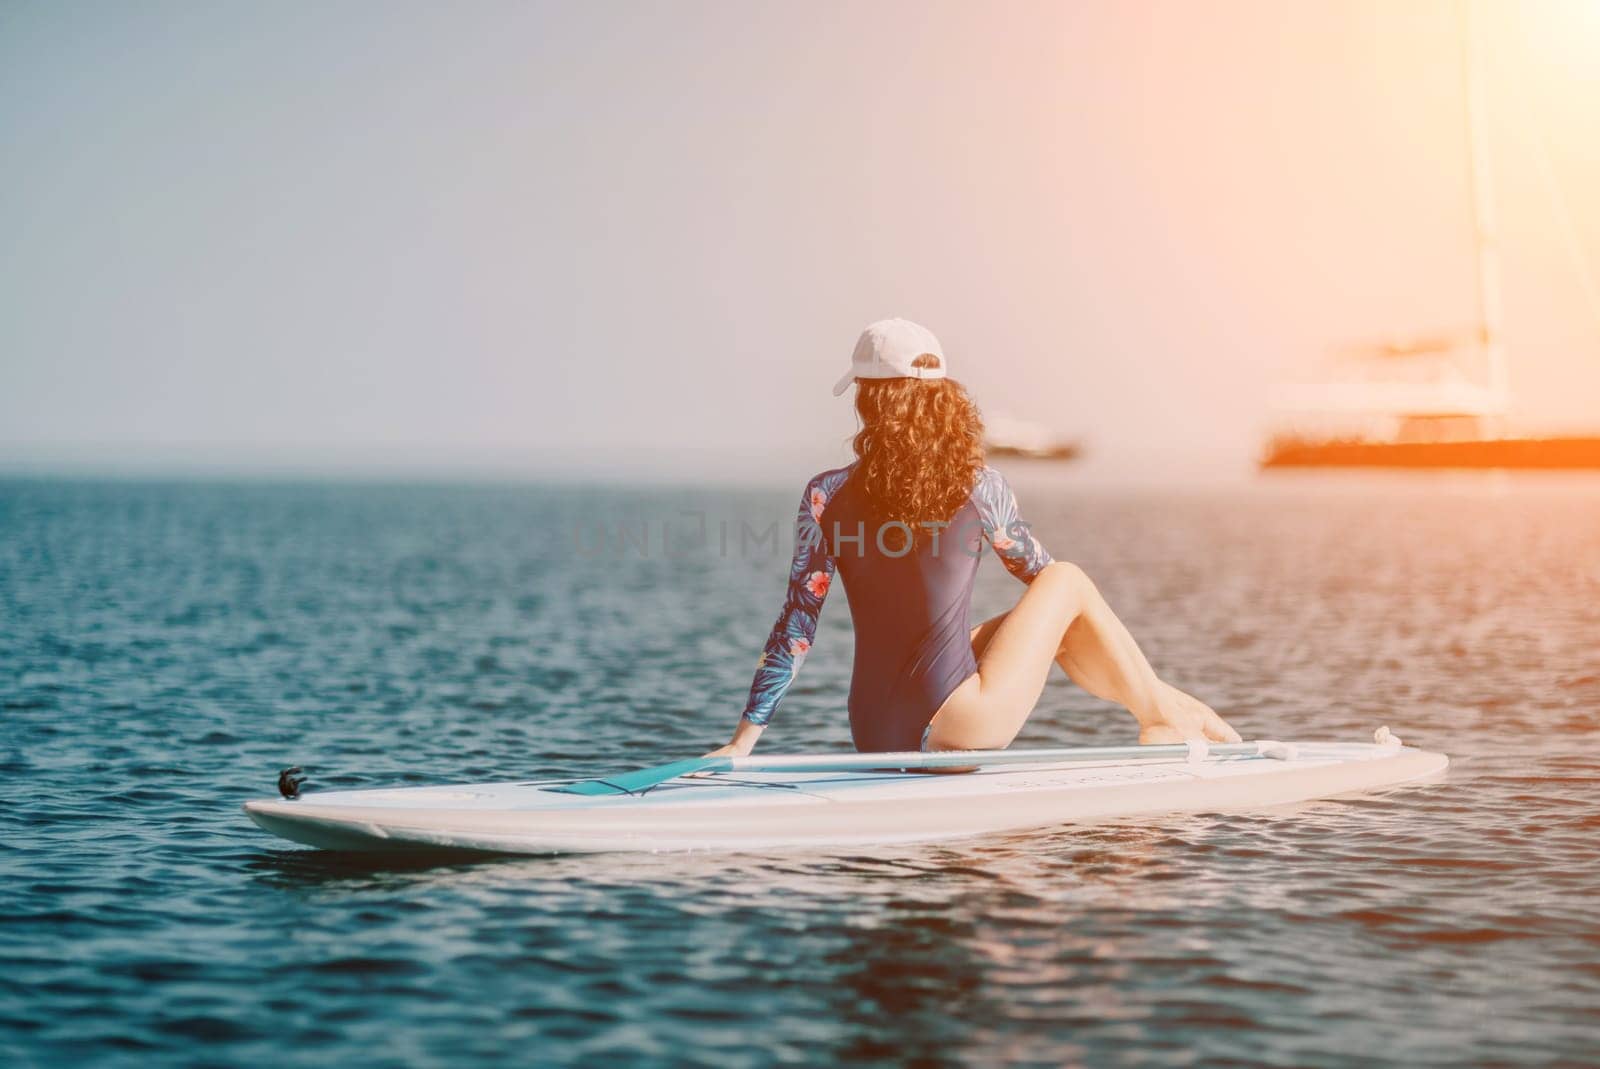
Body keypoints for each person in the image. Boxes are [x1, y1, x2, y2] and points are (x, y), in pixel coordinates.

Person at [707, 318, 1240, 759]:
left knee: (1031, 625)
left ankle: (1166, 709)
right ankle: (1164, 717)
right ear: (942, 400)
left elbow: (797, 627)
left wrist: (740, 744)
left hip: (874, 733)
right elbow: (1052, 588)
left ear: (867, 399)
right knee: (1067, 582)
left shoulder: (823, 495)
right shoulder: (980, 487)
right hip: (957, 724)